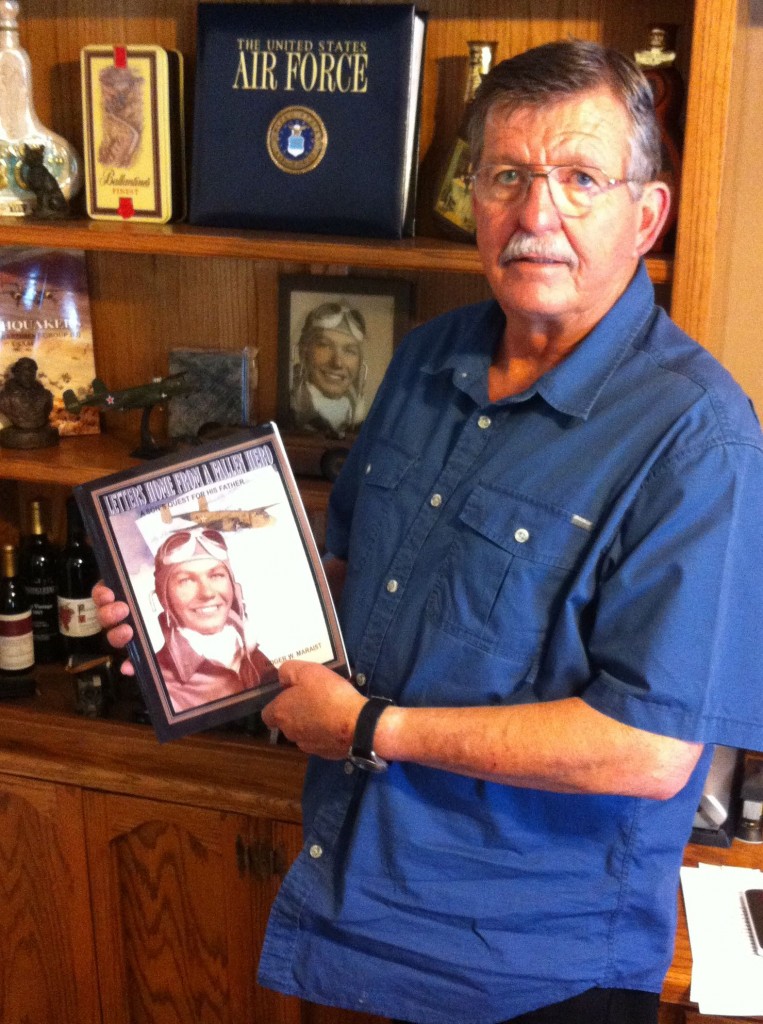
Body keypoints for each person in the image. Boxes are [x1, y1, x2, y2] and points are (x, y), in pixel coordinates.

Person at [95, 40, 763, 1024]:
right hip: (357, 913)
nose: (537, 216)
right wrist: (180, 613)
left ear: (646, 212)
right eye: (507, 176)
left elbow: (647, 745)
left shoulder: (698, 436)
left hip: (529, 971)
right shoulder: (424, 357)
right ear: (473, 197)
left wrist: (371, 728)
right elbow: (345, 569)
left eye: (581, 178)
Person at [151, 526, 277, 712]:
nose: (207, 593)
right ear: (164, 598)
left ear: (234, 588)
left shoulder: (256, 656)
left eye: (216, 575)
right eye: (186, 580)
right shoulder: (160, 682)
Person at [289, 300, 368, 436]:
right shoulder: (287, 411)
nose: (337, 362)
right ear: (303, 352)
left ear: (360, 364)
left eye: (349, 351)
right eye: (325, 345)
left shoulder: (366, 423)